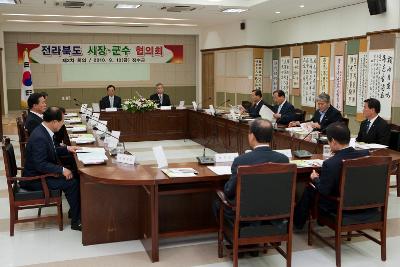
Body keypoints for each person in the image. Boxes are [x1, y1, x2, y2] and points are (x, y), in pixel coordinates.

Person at [293, 122, 369, 229]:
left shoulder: (331, 163)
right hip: (364, 202)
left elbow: (324, 190)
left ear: (333, 141)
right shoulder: (365, 155)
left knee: (310, 187)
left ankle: (297, 222)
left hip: (337, 204)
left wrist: (315, 179)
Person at [213, 119, 289, 221]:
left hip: (246, 214)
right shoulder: (283, 159)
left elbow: (229, 191)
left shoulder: (241, 160)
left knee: (217, 203)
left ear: (252, 136)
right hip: (275, 210)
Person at [20, 107, 82, 231]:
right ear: (54, 122)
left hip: (39, 173)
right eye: (62, 121)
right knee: (72, 183)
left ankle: (75, 211)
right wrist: (62, 169)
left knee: (75, 174)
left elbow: (51, 150)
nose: (62, 124)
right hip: (35, 179)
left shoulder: (43, 130)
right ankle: (77, 221)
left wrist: (67, 148)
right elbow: (40, 164)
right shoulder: (40, 137)